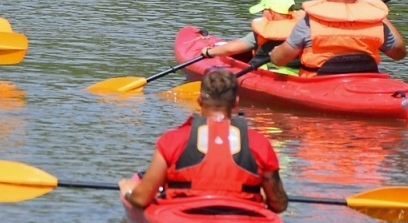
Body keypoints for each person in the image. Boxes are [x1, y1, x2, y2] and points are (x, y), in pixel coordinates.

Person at [121, 68, 288, 213]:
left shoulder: (172, 140)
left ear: (200, 100)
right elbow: (279, 204)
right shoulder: (260, 143)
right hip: (244, 221)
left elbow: (141, 199)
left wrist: (128, 192)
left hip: (183, 215)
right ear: (236, 102)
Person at [269, 0, 407, 73]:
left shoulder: (310, 22)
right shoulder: (374, 21)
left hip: (318, 84)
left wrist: (273, 53)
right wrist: (380, 14)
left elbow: (280, 59)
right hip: (363, 85)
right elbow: (399, 53)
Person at [199, 0, 300, 62]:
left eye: (263, 10)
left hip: (269, 74)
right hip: (298, 75)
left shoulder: (263, 32)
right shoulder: (304, 28)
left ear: (271, 12)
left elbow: (232, 48)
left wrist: (209, 52)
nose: (262, 14)